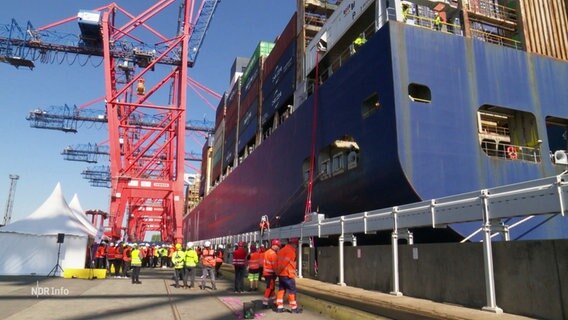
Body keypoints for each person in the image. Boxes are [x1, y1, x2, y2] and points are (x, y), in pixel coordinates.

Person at [275, 238, 302, 313]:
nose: (296, 247)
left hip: (281, 275)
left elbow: (277, 262)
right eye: (296, 245)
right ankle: (294, 308)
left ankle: (279, 307)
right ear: (294, 244)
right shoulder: (291, 252)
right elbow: (284, 263)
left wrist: (277, 272)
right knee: (292, 291)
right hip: (288, 275)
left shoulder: (281, 250)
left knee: (281, 290)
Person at [262, 239, 280, 309]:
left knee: (271, 288)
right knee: (269, 288)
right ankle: (265, 303)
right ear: (275, 246)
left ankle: (275, 301)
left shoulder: (267, 252)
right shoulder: (273, 254)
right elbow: (275, 267)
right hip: (271, 274)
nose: (278, 248)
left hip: (266, 273)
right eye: (278, 246)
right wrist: (278, 274)